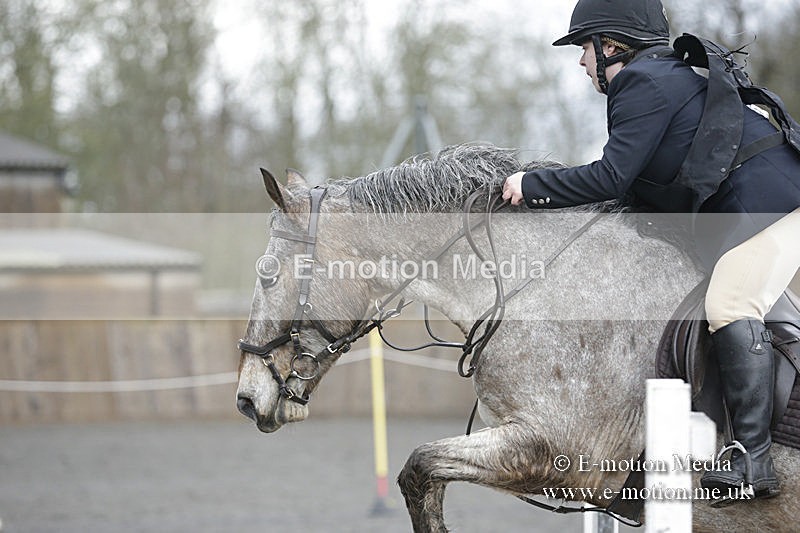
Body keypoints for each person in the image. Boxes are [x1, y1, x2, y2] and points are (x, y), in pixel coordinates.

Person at [502, 0, 800, 504]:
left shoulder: (641, 83)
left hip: (775, 202)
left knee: (731, 306)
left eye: (583, 48)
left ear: (610, 45)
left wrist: (531, 185)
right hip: (758, 208)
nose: (581, 63)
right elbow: (635, 191)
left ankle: (753, 460)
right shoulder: (662, 79)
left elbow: (610, 176)